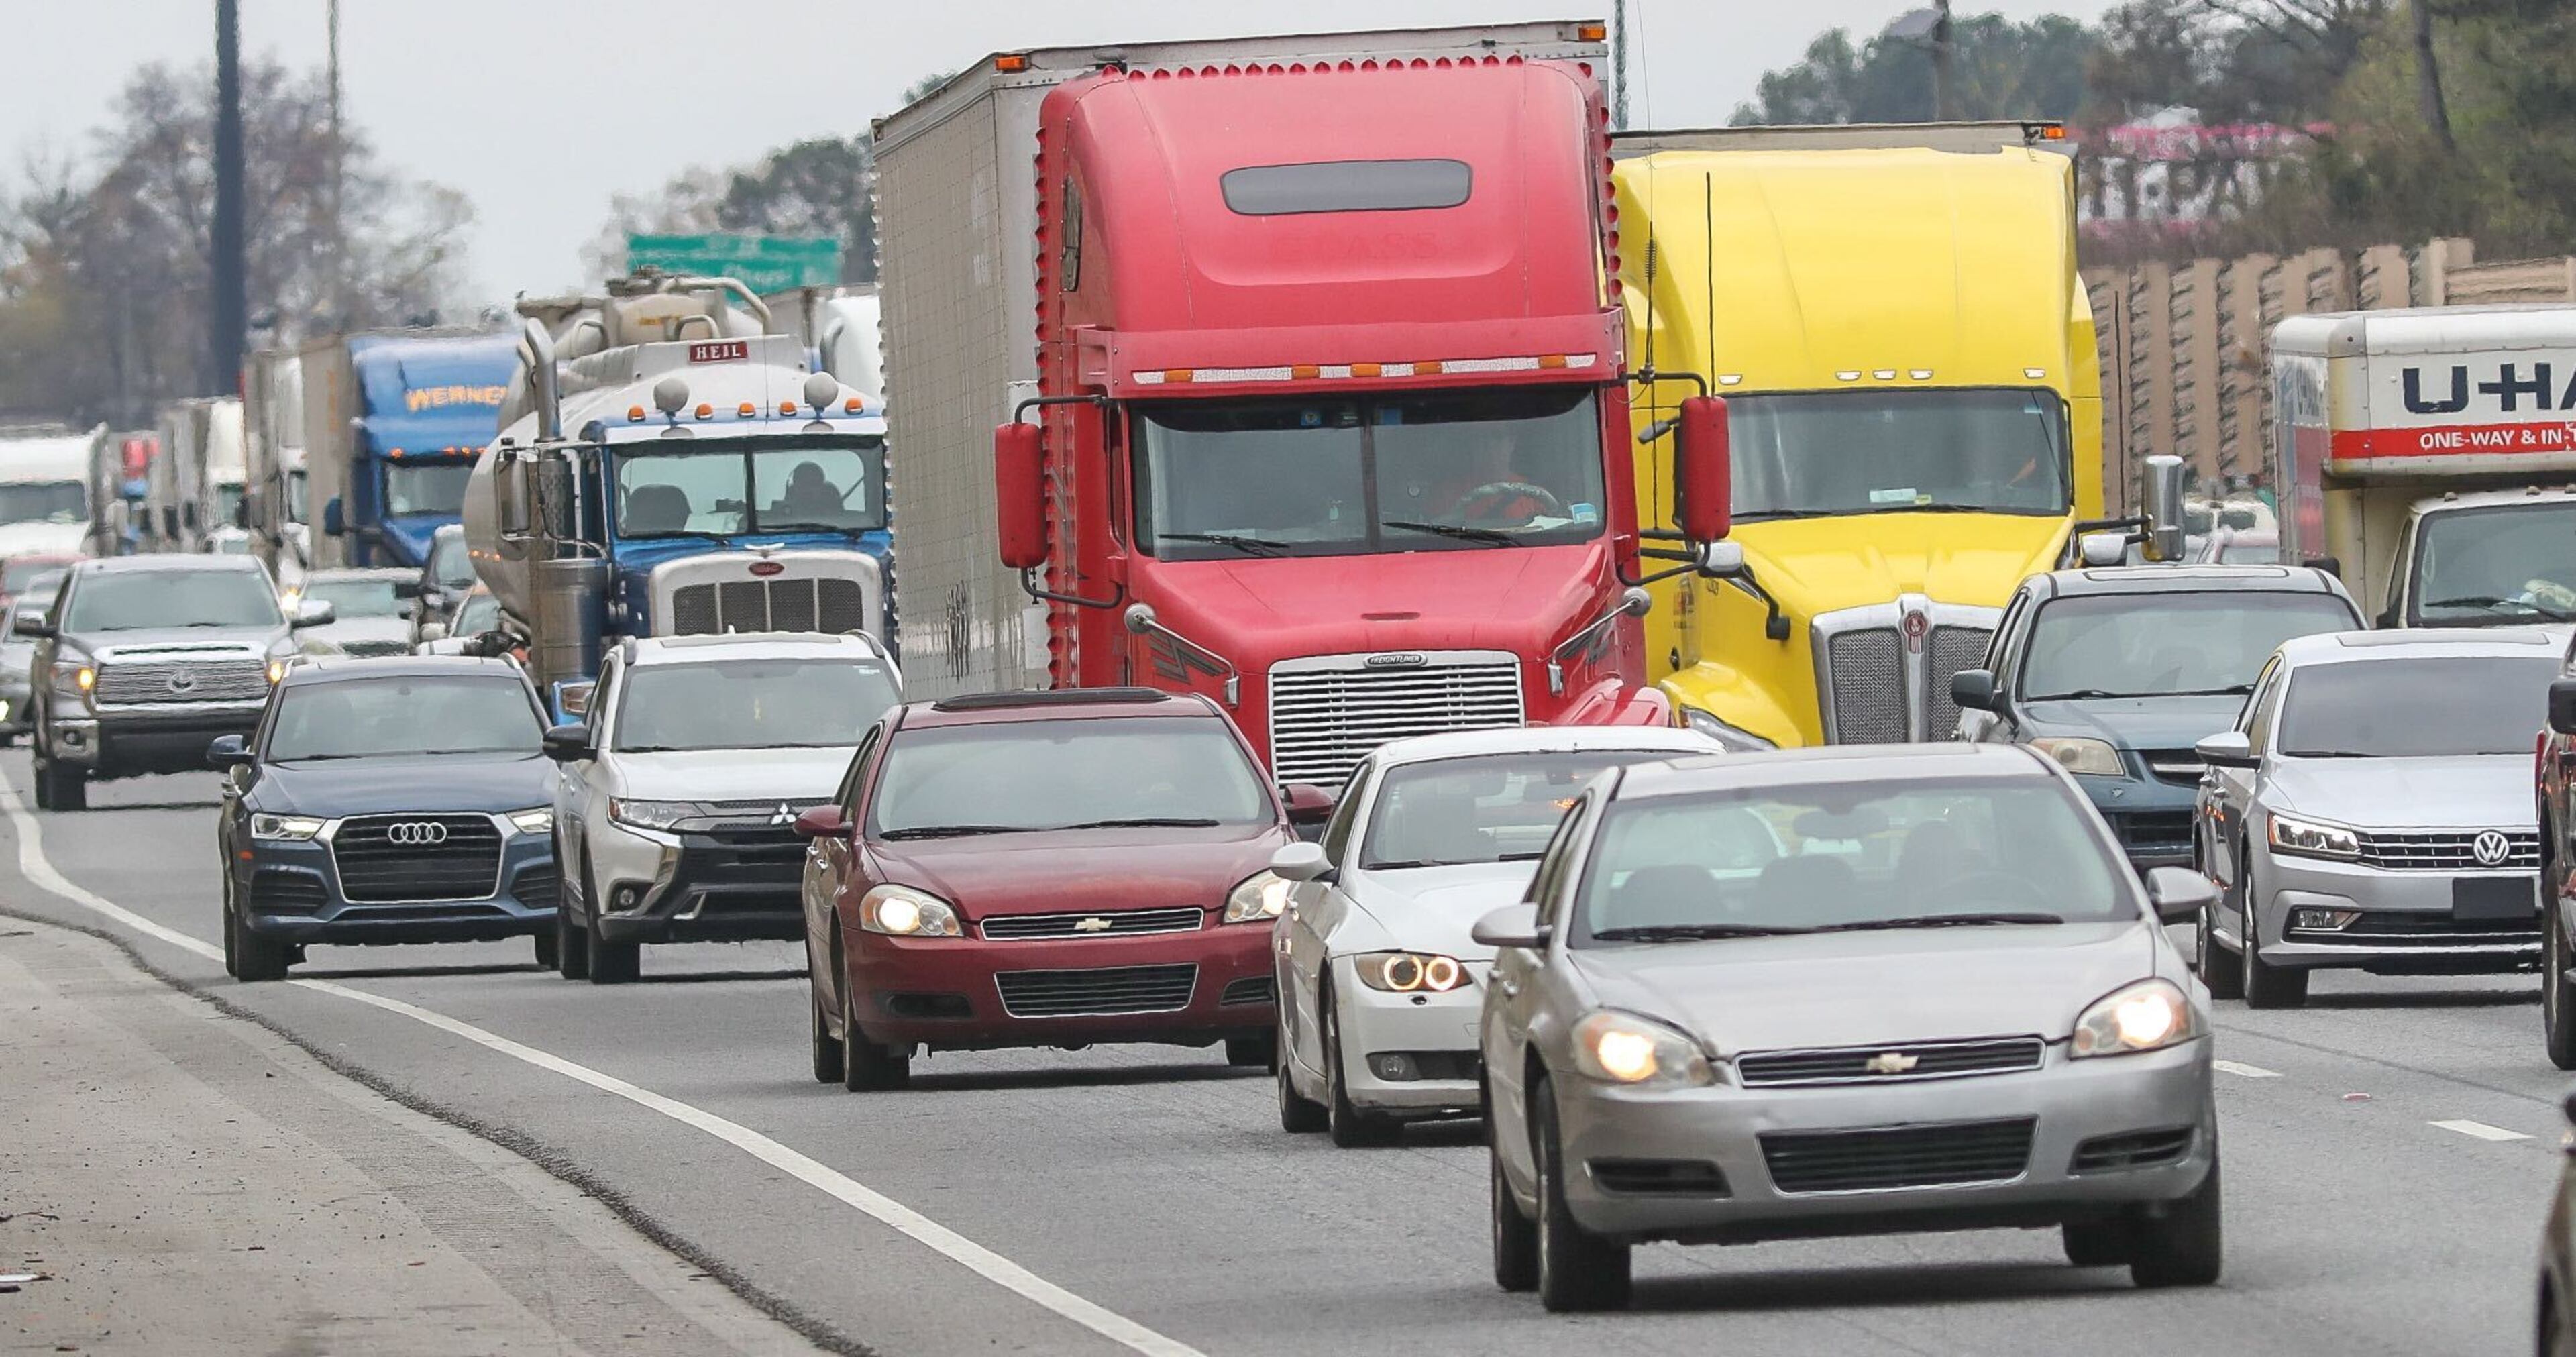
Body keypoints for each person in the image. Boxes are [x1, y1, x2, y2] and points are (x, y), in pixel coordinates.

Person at [776, 462, 846, 522]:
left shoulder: (839, 520)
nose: (807, 490)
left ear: (822, 488)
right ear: (795, 487)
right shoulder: (782, 515)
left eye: (813, 484)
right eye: (802, 484)